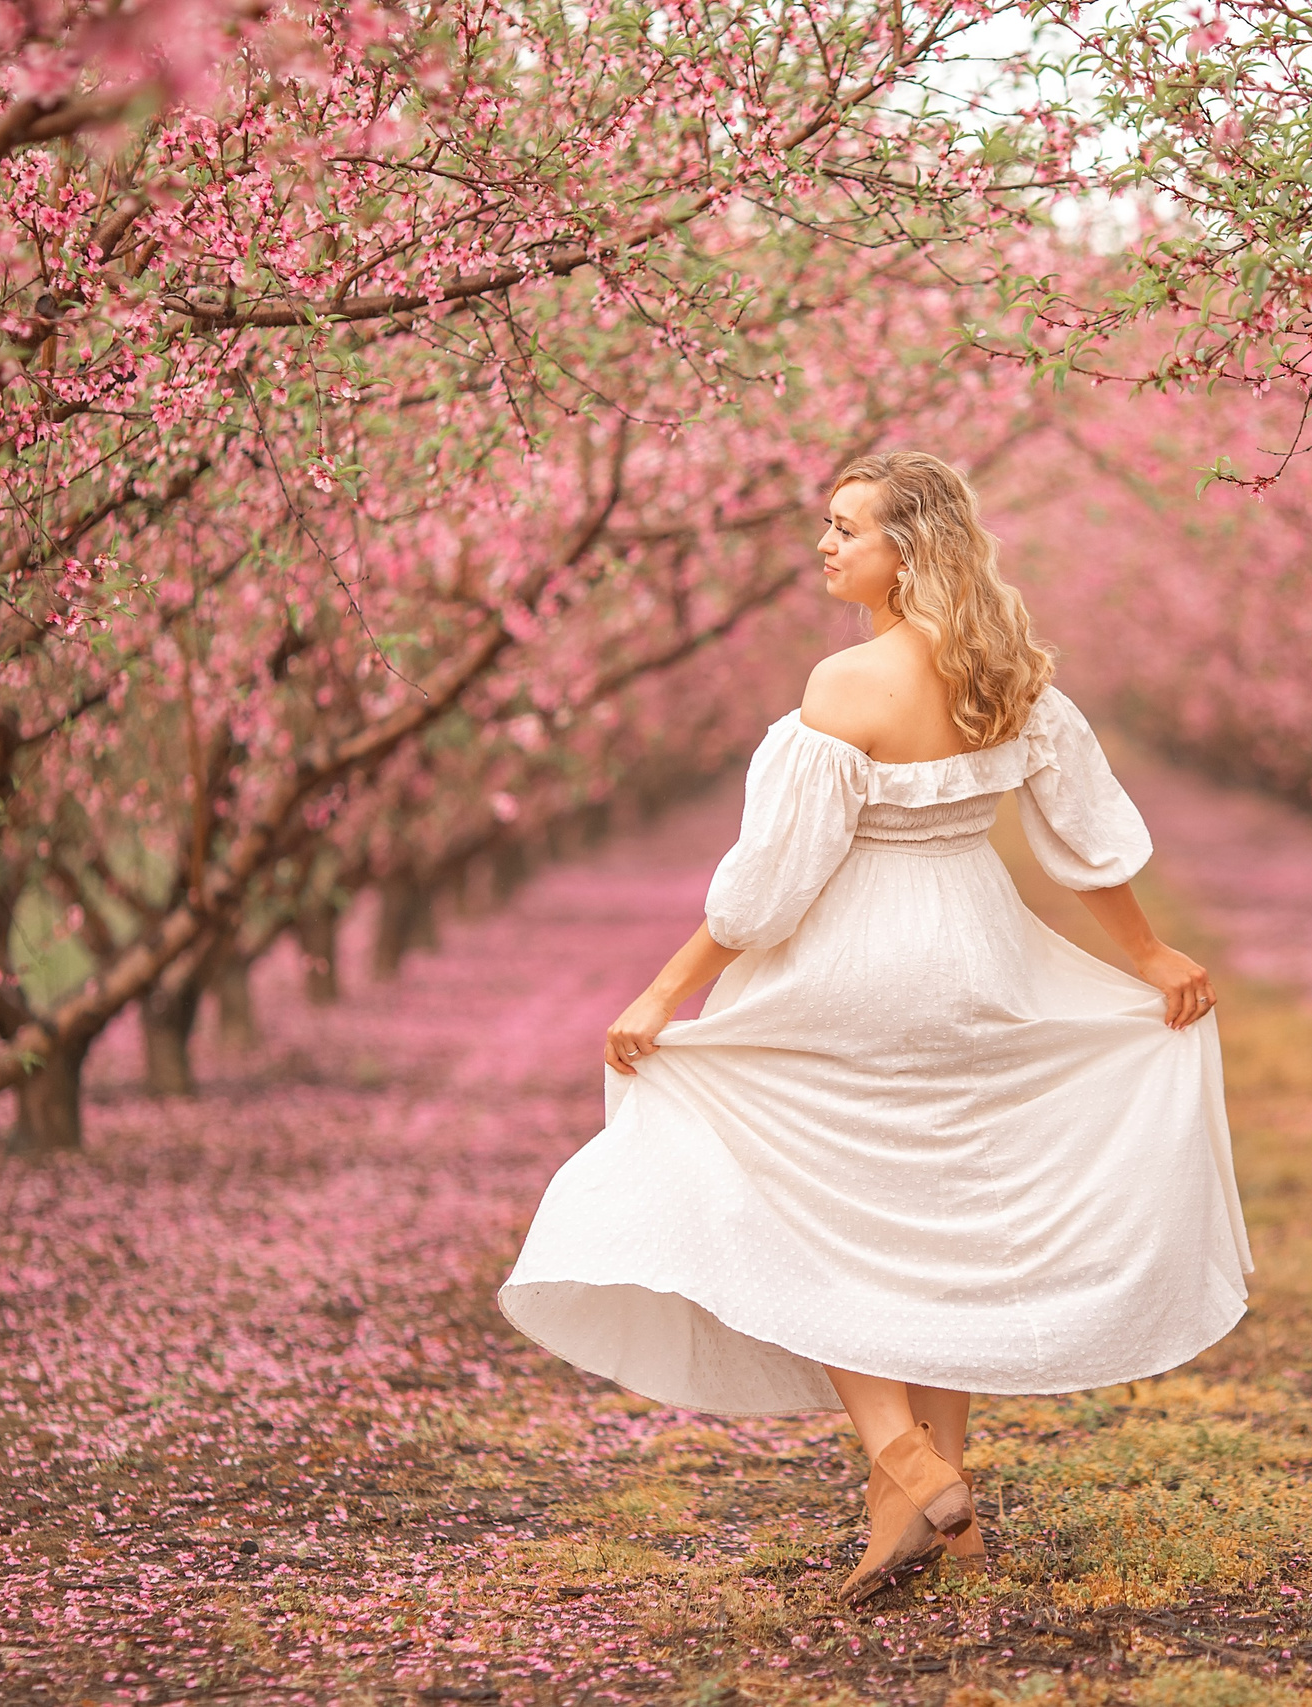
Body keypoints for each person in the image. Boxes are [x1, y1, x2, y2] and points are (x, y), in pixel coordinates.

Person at [498, 450, 1252, 1603]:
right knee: (935, 1224)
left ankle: (900, 1454)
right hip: (978, 959)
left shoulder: (844, 685)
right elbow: (1084, 833)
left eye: (846, 528)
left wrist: (666, 991)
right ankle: (914, 1505)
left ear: (908, 549)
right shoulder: (1012, 676)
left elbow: (769, 889)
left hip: (856, 967)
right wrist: (1145, 955)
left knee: (814, 1214)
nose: (825, 546)